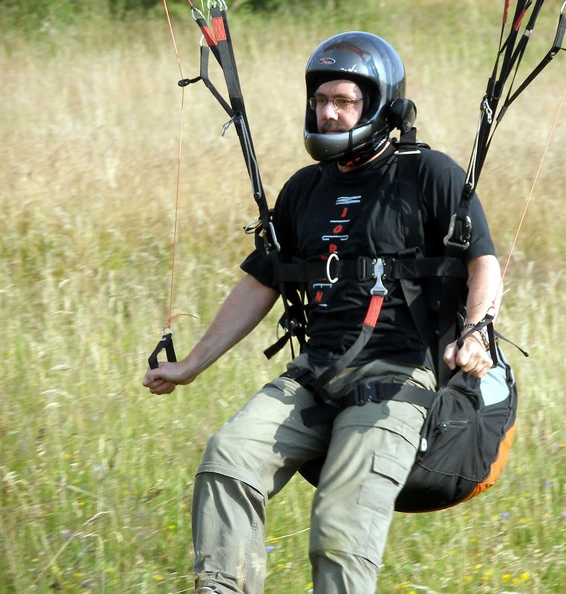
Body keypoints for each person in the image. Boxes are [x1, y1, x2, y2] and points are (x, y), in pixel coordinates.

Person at [143, 31, 502, 594]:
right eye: (321, 101)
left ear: (380, 105)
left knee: (339, 525)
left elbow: (483, 261)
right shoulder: (304, 190)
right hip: (316, 375)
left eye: (345, 102)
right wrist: (191, 364)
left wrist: (477, 331)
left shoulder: (429, 175)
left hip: (399, 379)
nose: (329, 113)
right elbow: (261, 282)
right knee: (227, 458)